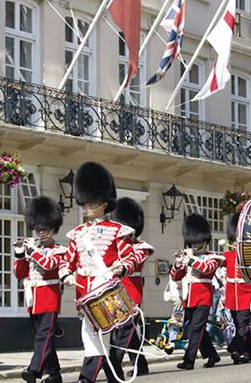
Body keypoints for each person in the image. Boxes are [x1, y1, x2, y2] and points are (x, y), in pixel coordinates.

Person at [59, 162, 136, 383]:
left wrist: (121, 268)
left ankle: (87, 377)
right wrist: (66, 275)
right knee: (95, 336)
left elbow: (130, 257)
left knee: (96, 335)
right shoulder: (77, 233)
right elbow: (67, 260)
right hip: (84, 291)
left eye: (92, 202)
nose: (88, 206)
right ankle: (112, 375)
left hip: (106, 291)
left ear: (104, 203)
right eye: (86, 202)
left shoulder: (117, 231)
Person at [15, 196, 66, 383]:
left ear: (53, 229)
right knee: (43, 338)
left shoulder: (60, 250)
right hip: (33, 298)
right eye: (38, 229)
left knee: (44, 337)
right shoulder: (32, 248)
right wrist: (20, 254)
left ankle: (34, 370)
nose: (41, 232)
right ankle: (55, 375)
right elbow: (20, 273)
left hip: (49, 296)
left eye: (45, 229)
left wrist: (32, 252)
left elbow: (49, 265)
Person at [170, 213, 224, 370]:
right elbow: (175, 276)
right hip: (189, 297)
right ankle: (212, 354)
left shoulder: (213, 257)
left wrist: (190, 259)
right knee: (192, 329)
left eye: (199, 240)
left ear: (205, 240)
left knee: (195, 329)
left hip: (203, 297)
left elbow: (207, 269)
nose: (196, 243)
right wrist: (179, 264)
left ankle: (189, 360)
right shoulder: (187, 256)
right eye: (194, 241)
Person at [109, 197, 153, 378]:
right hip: (115, 289)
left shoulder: (141, 247)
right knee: (129, 331)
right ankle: (140, 364)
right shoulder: (116, 245)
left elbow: (134, 264)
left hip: (132, 289)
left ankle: (115, 362)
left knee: (125, 328)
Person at [223, 213, 251, 365]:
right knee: (239, 325)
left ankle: (235, 348)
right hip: (232, 295)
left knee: (243, 324)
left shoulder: (250, 255)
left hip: (247, 292)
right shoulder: (228, 255)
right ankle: (249, 353)